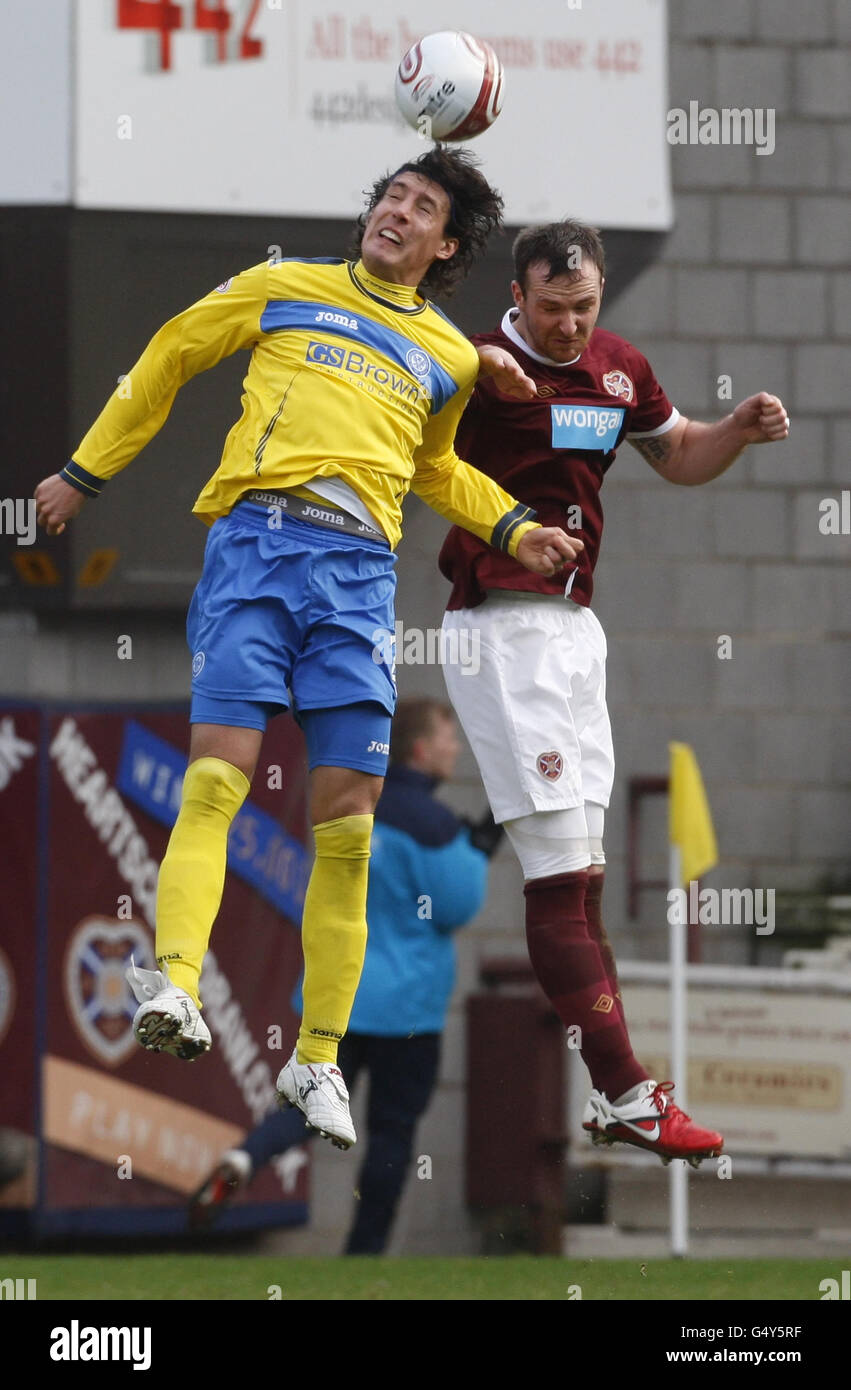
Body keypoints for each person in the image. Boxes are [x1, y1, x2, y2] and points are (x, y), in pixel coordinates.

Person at [33, 149, 580, 1152]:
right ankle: (177, 984)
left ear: (444, 245)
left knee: (349, 824)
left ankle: (315, 1055)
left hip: (359, 582)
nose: (396, 212)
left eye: (421, 208)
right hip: (256, 549)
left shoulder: (451, 359)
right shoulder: (285, 288)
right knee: (216, 780)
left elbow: (437, 470)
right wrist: (84, 472)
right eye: (391, 196)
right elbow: (167, 355)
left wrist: (512, 527)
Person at [440, 219, 791, 1165]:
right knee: (556, 878)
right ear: (516, 295)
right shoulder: (472, 363)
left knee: (584, 882)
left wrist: (736, 432)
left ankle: (614, 1097)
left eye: (581, 308)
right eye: (548, 309)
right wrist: (505, 522)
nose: (565, 327)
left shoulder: (617, 367)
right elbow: (415, 457)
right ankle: (632, 1093)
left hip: (572, 633)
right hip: (499, 625)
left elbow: (677, 454)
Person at [189, 697, 502, 1252]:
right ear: (422, 748)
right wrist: (481, 846)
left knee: (307, 1106)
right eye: (449, 738)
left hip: (335, 997)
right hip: (406, 1013)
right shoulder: (434, 827)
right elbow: (456, 905)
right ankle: (362, 1255)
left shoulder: (350, 800)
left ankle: (245, 1156)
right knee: (391, 1134)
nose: (457, 749)